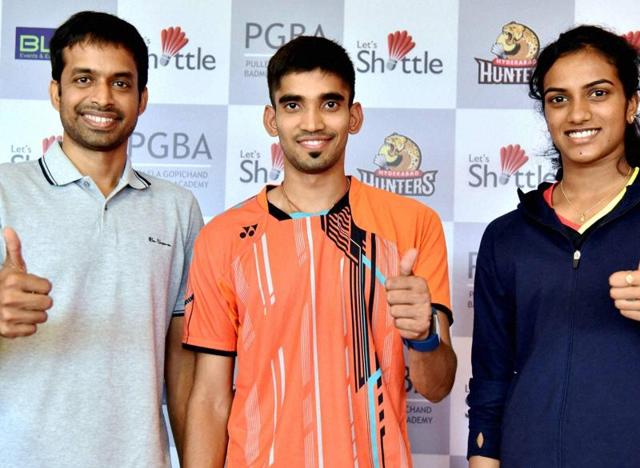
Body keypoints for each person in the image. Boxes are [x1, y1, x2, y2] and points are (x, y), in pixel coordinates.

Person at [182, 36, 457, 467]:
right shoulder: (222, 237)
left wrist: (423, 339)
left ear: (354, 116)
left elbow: (437, 387)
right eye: (293, 106)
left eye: (329, 104)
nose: (312, 122)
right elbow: (211, 398)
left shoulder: (412, 225)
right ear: (271, 119)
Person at [0, 11, 203, 467]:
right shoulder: (4, 190)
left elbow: (183, 364)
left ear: (142, 98)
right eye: (84, 79)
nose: (102, 97)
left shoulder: (177, 208)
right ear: (56, 91)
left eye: (120, 82)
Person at [467, 25, 640, 467]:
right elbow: (489, 378)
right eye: (558, 98)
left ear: (632, 105)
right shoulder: (508, 236)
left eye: (598, 94)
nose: (577, 114)